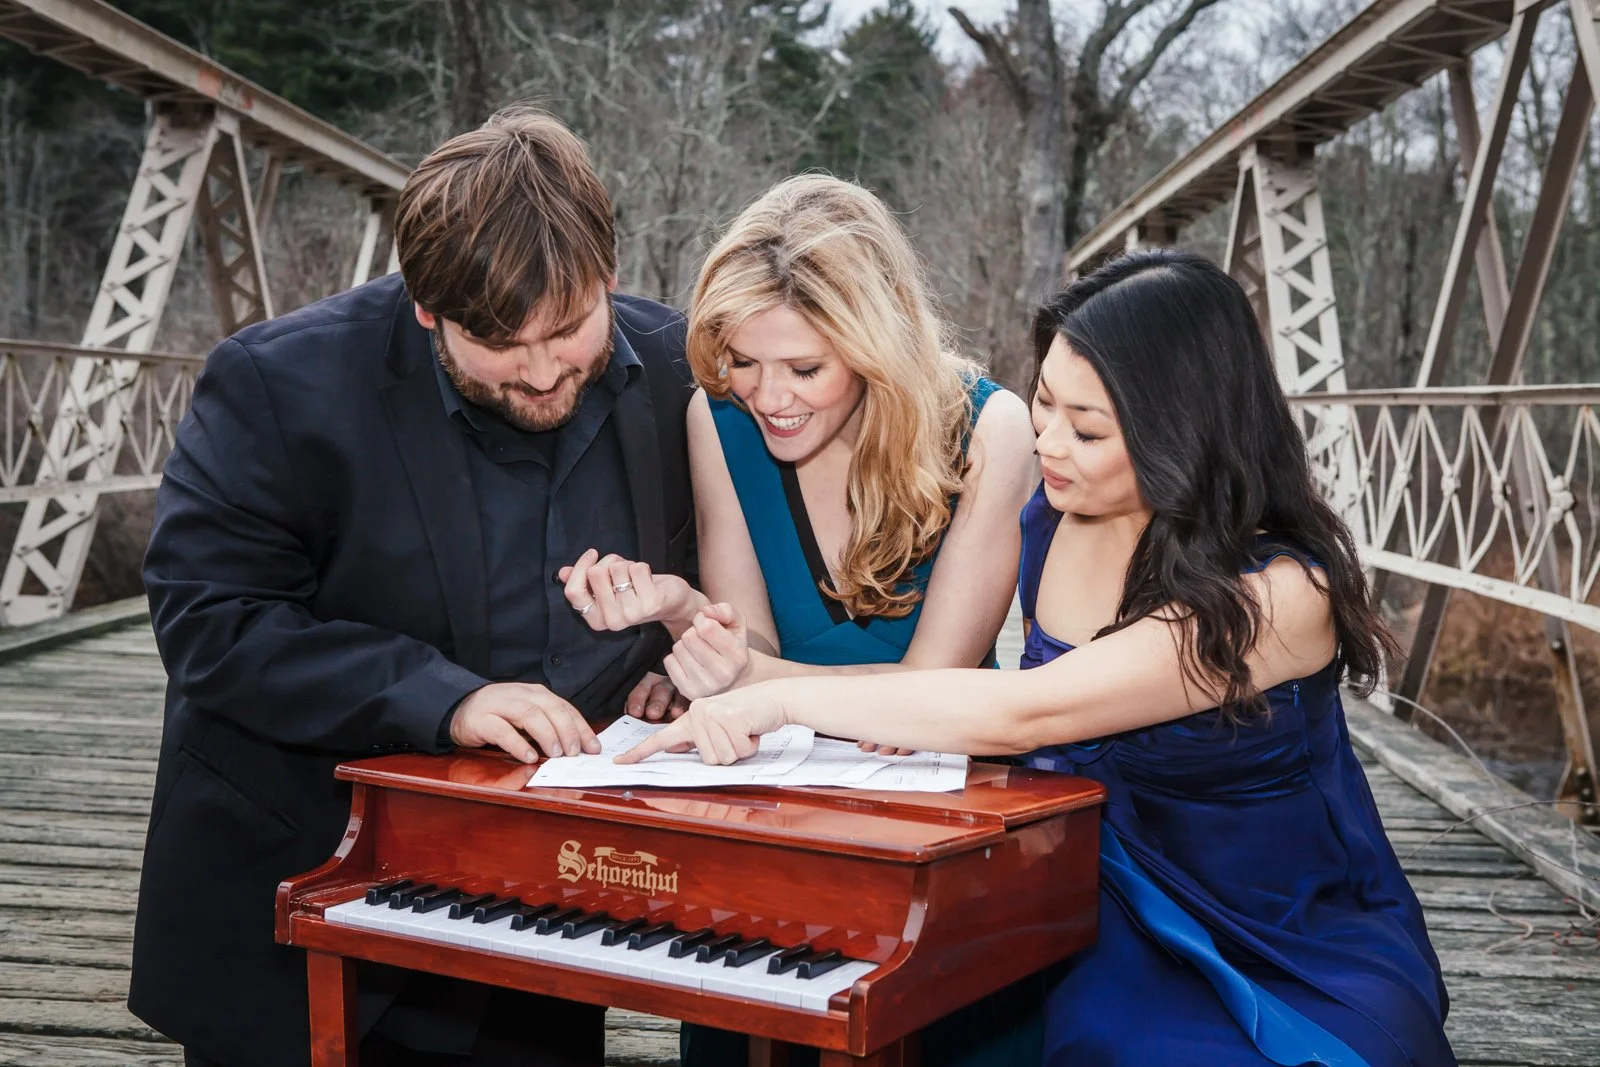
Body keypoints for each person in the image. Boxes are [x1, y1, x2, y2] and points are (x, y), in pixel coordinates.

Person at [620, 249, 1458, 1067]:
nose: (1047, 442)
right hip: (1099, 890)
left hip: (1280, 931)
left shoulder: (1282, 596)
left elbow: (1030, 708)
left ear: (1183, 432)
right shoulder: (1054, 521)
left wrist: (774, 700)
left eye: (1085, 427)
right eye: (1044, 401)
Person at [130, 106, 698, 1067]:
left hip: (542, 929)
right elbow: (210, 623)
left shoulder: (682, 366)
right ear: (426, 306)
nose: (544, 370)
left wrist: (677, 657)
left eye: (567, 330)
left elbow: (727, 568)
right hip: (311, 904)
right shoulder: (276, 384)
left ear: (608, 274)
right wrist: (453, 698)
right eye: (501, 345)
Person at [559, 174, 1039, 1063]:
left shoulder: (988, 428)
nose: (769, 396)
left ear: (875, 345)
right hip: (773, 819)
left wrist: (749, 683)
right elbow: (754, 646)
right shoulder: (721, 414)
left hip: (933, 827)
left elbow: (928, 692)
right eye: (744, 360)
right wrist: (685, 616)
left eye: (806, 368)